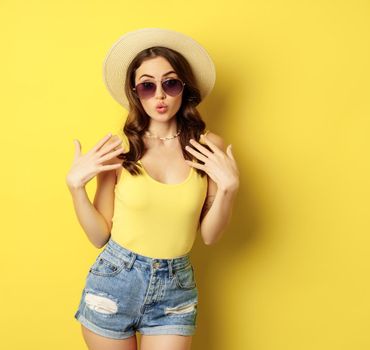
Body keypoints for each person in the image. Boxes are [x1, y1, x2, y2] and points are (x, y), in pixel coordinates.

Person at [65, 28, 239, 350]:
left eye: (169, 83)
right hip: (114, 280)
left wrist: (228, 190)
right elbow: (99, 236)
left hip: (175, 288)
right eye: (148, 86)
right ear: (136, 92)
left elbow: (210, 235)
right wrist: (76, 188)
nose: (159, 96)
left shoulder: (207, 148)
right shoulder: (121, 151)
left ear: (183, 88)